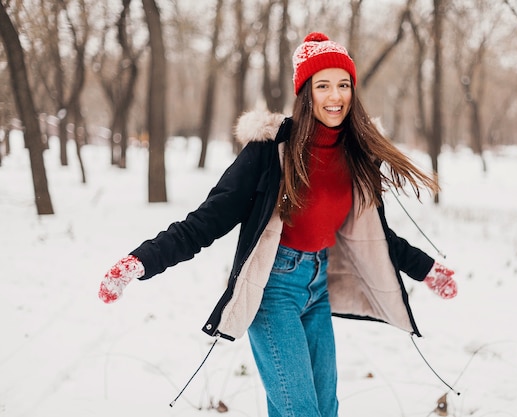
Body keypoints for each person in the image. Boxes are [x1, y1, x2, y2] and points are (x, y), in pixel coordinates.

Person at [98, 32, 458, 417]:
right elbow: (207, 220)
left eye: (343, 85)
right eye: (323, 86)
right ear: (306, 93)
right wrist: (141, 260)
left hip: (318, 289)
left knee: (324, 409)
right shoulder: (270, 151)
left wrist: (426, 269)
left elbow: (374, 234)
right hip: (273, 290)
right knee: (301, 411)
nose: (335, 97)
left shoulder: (357, 156)